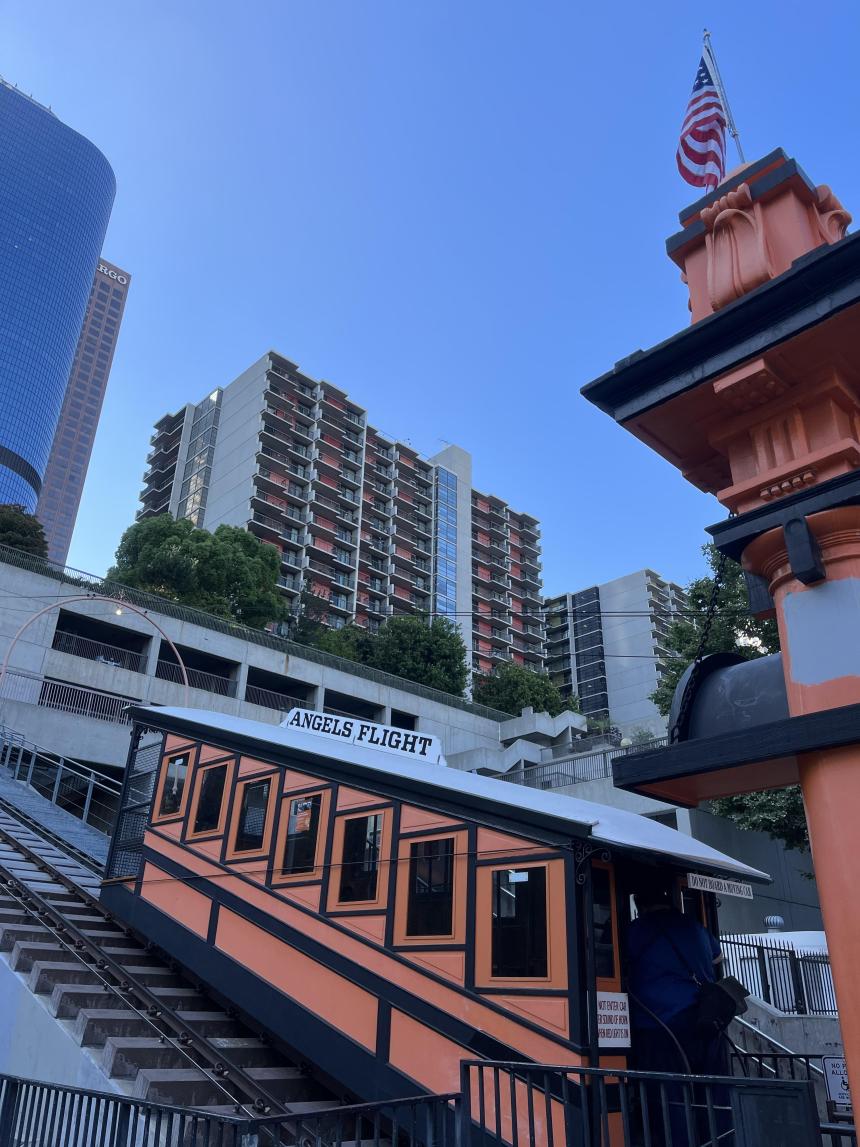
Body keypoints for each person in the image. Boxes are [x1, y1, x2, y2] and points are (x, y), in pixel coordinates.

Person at [627, 872, 729, 1143]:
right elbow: (718, 957)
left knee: (669, 1099)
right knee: (713, 1094)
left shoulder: (637, 931)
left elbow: (611, 959)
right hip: (705, 1020)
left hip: (660, 1024)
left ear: (639, 903)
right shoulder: (695, 927)